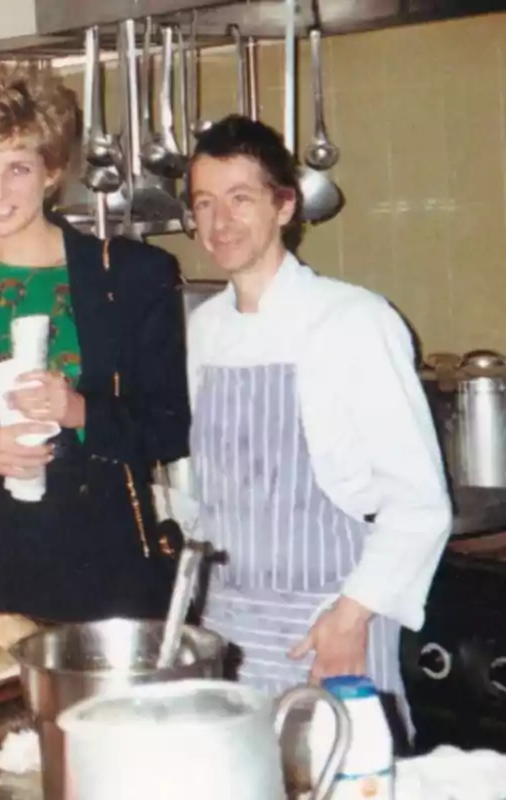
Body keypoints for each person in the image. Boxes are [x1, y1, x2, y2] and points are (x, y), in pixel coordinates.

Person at [0, 64, 191, 623]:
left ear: (53, 171)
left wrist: (80, 409)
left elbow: (171, 427)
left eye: (18, 169)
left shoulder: (131, 275)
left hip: (109, 569)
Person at [183, 115, 451, 728]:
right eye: (205, 203)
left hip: (326, 626)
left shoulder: (352, 320)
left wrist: (350, 617)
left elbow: (419, 502)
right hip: (226, 630)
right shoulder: (205, 330)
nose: (220, 223)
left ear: (284, 205)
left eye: (240, 199)